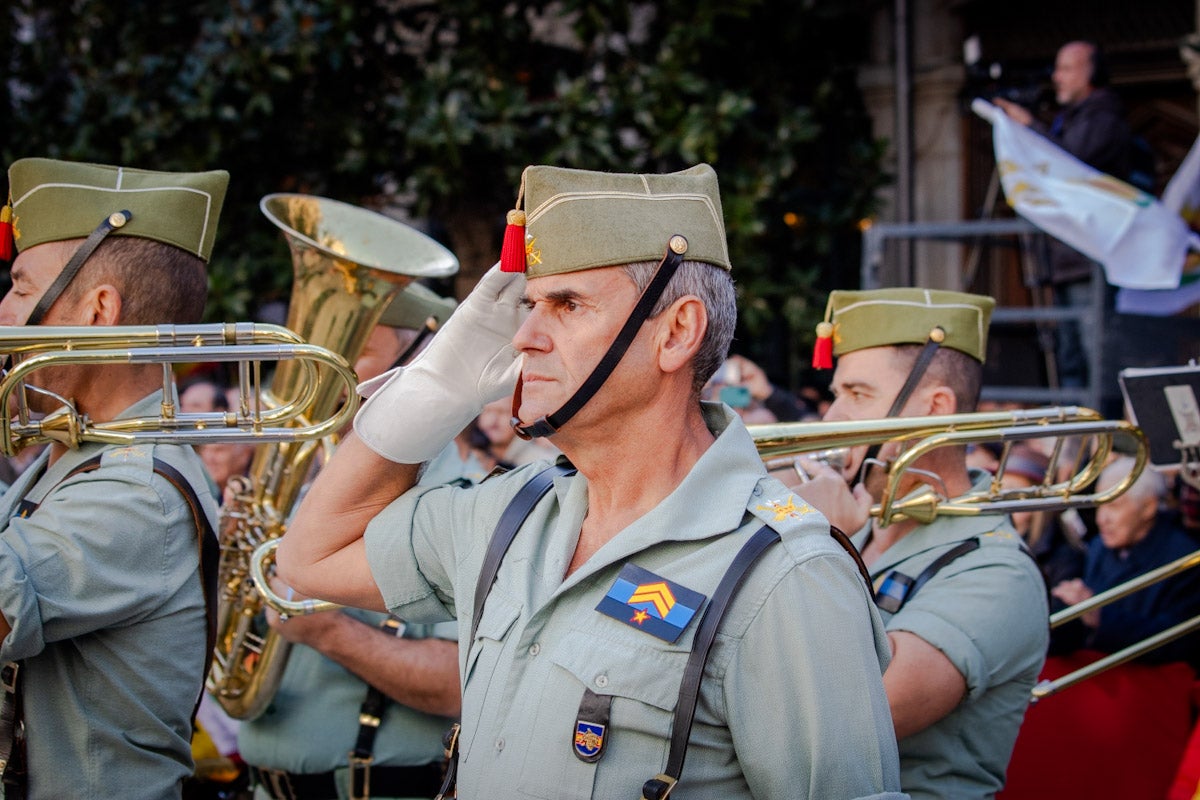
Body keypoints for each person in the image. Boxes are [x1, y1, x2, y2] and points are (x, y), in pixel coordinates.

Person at [278, 164, 905, 799]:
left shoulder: (787, 575)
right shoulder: (509, 513)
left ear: (677, 333)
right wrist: (432, 392)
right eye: (529, 305)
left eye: (567, 305)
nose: (524, 337)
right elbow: (310, 559)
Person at [0, 157, 228, 799]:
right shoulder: (75, 456)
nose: (5, 311)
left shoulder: (139, 490)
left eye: (20, 288)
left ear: (99, 309)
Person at [797, 288, 1049, 800]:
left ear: (935, 410)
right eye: (838, 394)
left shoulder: (996, 573)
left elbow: (847, 726)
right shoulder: (862, 521)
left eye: (859, 394)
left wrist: (817, 548)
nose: (831, 420)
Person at [237, 281, 463, 800]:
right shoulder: (302, 475)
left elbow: (458, 683)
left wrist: (331, 634)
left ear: (418, 360)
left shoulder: (456, 493)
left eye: (356, 348)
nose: (324, 369)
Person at [994, 40, 1134, 389]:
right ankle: (1076, 434)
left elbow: (1072, 164)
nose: (1057, 77)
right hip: (1065, 254)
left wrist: (1029, 127)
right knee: (1070, 352)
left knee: (1095, 349)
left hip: (1089, 252)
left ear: (1092, 73)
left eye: (1067, 68)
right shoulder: (1068, 118)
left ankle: (1106, 432)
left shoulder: (1104, 115)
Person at [1050, 456, 1200, 669]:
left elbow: (1181, 641)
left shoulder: (1185, 558)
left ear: (1148, 508)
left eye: (1114, 506)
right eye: (1100, 506)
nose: (1102, 518)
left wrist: (1098, 616)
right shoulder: (1099, 546)